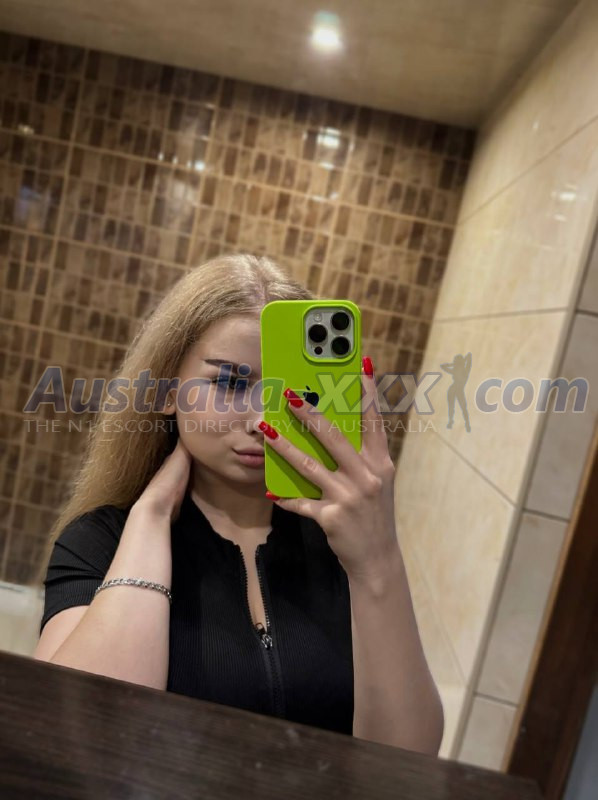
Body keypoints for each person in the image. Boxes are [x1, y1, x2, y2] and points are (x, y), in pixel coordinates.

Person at [34, 253, 444, 754]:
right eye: (230, 382)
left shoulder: (344, 546)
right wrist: (150, 519)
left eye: (283, 391)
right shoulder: (100, 541)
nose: (258, 420)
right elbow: (78, 735)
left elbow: (407, 760)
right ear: (166, 389)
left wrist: (377, 560)